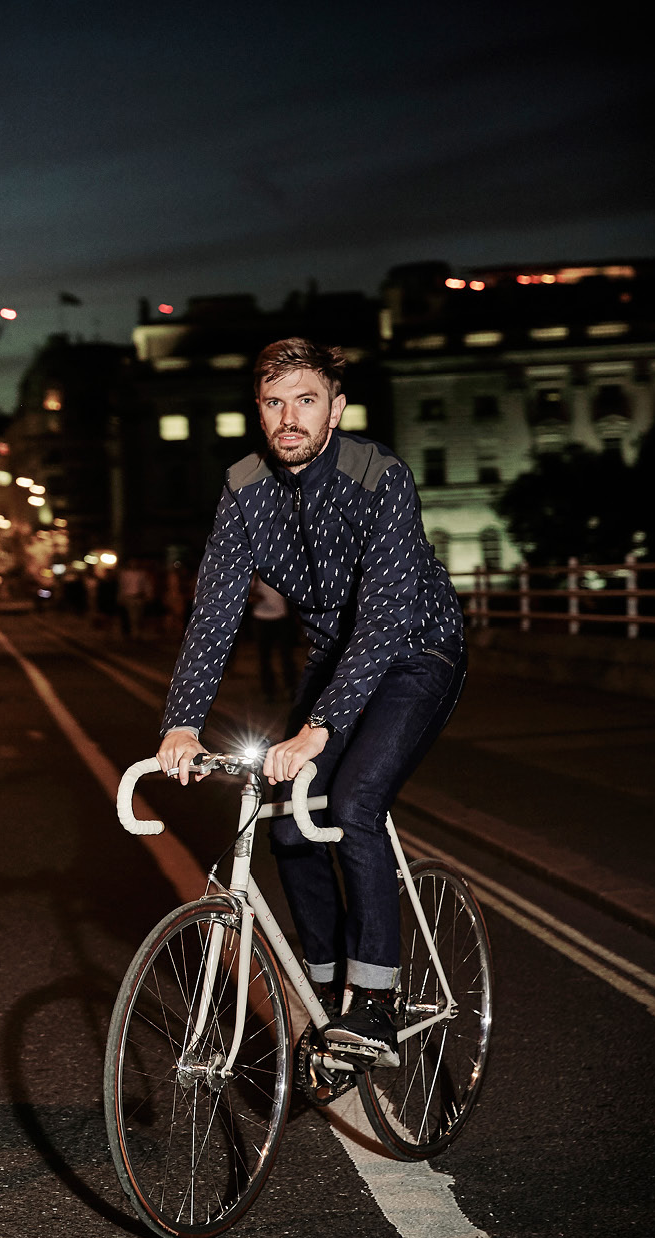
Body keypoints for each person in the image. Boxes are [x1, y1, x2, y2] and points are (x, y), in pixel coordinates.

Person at [155, 338, 466, 1066]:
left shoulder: (379, 475)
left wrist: (319, 726)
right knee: (291, 822)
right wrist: (182, 722)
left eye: (306, 399)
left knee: (353, 802)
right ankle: (325, 994)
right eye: (274, 402)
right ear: (259, 411)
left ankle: (376, 1001)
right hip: (333, 662)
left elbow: (386, 617)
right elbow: (216, 612)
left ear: (336, 409)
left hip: (418, 651)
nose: (289, 417)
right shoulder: (244, 487)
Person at [247, 574, 297, 702]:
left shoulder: (282, 573)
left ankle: (291, 687)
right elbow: (247, 595)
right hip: (261, 618)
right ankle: (268, 690)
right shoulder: (256, 576)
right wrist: (255, 597)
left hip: (281, 617)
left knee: (286, 655)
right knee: (264, 657)